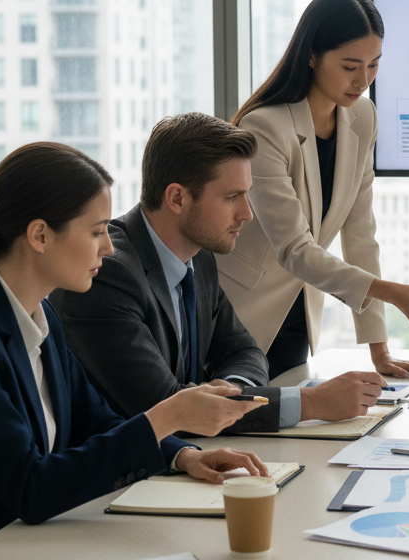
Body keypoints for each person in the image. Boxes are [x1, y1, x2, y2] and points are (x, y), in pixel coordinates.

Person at [0, 143, 267, 560]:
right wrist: (167, 416)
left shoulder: (41, 318)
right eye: (97, 231)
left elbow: (93, 420)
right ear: (40, 235)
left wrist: (181, 456)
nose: (109, 249)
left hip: (29, 553)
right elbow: (30, 488)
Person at [51, 112, 386, 430]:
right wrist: (310, 403)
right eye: (232, 197)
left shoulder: (199, 257)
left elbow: (245, 351)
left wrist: (231, 395)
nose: (246, 213)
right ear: (178, 198)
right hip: (118, 484)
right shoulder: (107, 275)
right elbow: (170, 409)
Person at [218, 0, 409, 380]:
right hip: (242, 315)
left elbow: (361, 234)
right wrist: (391, 292)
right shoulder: (264, 127)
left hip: (298, 316)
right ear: (312, 54)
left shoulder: (362, 118)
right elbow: (294, 248)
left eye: (374, 65)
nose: (363, 80)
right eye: (349, 66)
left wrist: (380, 350)